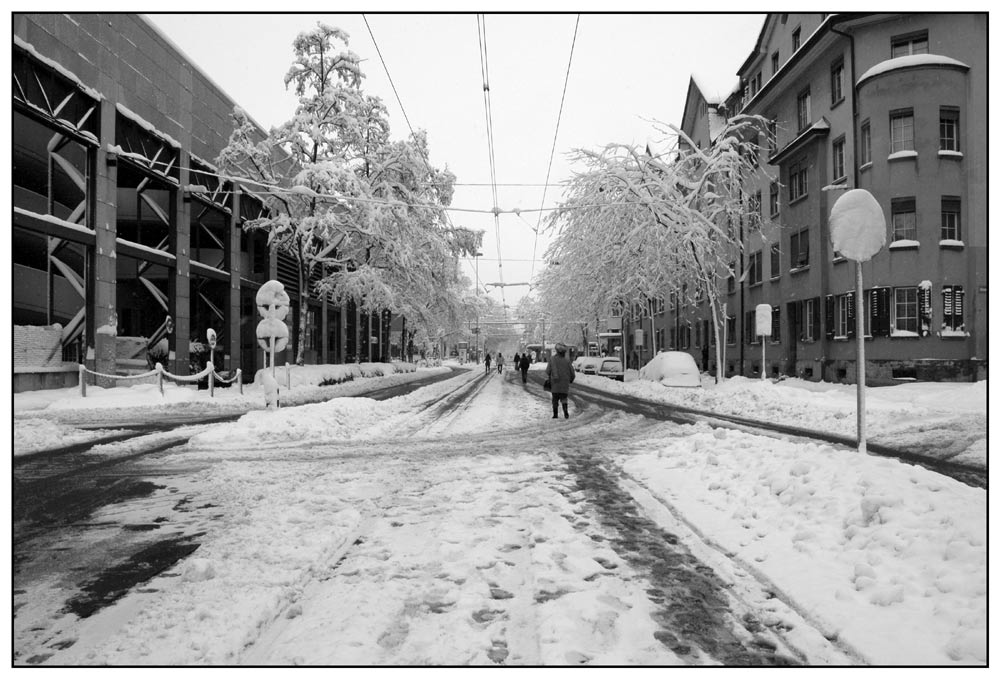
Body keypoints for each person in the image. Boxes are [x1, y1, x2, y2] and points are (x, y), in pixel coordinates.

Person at [545, 343, 575, 419]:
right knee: (564, 399)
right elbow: (572, 373)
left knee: (555, 400)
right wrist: (571, 379)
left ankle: (555, 414)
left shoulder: (552, 359)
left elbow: (548, 371)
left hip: (555, 383)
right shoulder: (567, 361)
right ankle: (566, 413)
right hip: (564, 384)